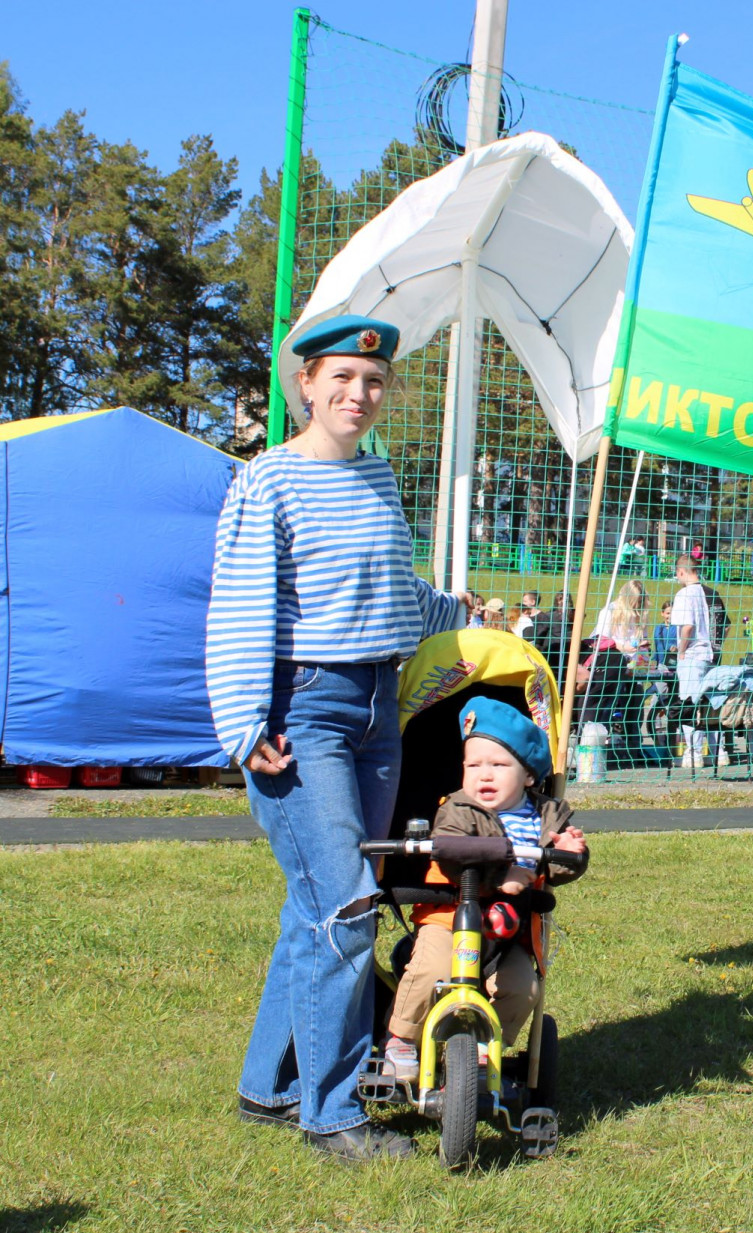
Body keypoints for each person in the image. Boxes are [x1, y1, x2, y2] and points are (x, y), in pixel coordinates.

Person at [206, 315, 476, 1161]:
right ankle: (332, 1114)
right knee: (350, 907)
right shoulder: (267, 481)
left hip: (376, 709)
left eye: (373, 383)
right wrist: (245, 723)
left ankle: (269, 1086)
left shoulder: (379, 476)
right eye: (342, 379)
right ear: (307, 385)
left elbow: (391, 588)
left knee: (313, 908)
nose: (359, 395)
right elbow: (242, 604)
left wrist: (461, 619)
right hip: (305, 712)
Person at [383, 698, 586, 1080]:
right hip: (450, 919)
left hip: (509, 931)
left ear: (528, 775)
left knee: (523, 988)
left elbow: (556, 870)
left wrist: (569, 854)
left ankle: (486, 1043)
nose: (484, 776)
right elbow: (452, 854)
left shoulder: (545, 815)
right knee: (430, 969)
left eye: (498, 765)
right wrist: (502, 874)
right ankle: (402, 1038)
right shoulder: (458, 809)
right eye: (473, 765)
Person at [671, 554, 716, 759]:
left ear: (681, 571)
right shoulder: (702, 592)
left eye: (677, 574)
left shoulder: (684, 594)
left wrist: (681, 651)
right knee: (707, 703)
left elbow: (687, 626)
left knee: (688, 704)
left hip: (692, 655)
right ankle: (718, 751)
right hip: (706, 654)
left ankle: (693, 752)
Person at [593, 579, 649, 660]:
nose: (637, 605)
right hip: (612, 660)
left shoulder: (641, 613)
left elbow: (644, 638)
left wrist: (643, 645)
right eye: (635, 602)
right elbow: (601, 641)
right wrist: (624, 647)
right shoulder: (609, 611)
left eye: (640, 601)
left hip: (635, 662)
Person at [528, 591, 572, 681]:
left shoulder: (549, 616)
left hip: (555, 651)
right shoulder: (574, 615)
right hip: (565, 650)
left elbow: (540, 634)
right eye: (561, 600)